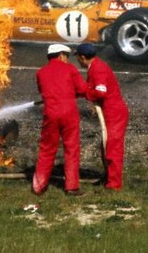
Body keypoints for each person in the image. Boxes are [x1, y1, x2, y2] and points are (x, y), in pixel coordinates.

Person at [32, 43, 88, 196]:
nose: (68, 59)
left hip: (50, 113)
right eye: (67, 56)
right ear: (61, 55)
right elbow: (82, 89)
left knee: (47, 149)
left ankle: (39, 186)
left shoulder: (40, 72)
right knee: (71, 149)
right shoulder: (70, 69)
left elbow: (43, 91)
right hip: (69, 113)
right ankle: (71, 187)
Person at [75, 43, 130, 190]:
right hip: (110, 111)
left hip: (115, 112)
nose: (78, 61)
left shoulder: (98, 69)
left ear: (82, 57)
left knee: (112, 147)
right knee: (105, 146)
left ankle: (114, 184)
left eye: (78, 58)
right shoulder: (95, 66)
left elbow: (100, 92)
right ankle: (109, 177)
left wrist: (86, 94)